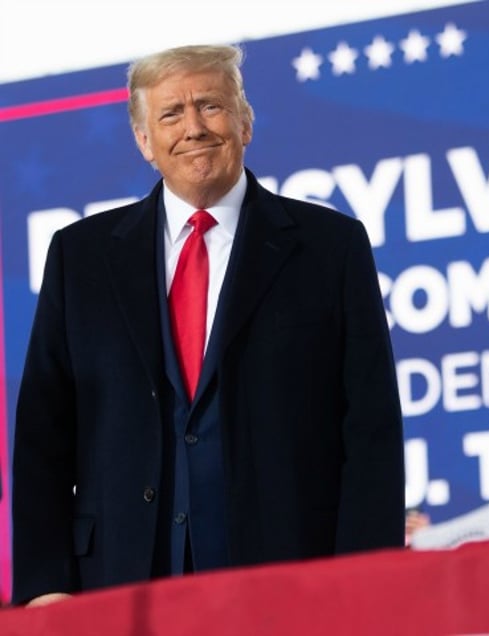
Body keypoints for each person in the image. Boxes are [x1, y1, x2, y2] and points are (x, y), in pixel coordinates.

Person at [12, 44, 405, 607]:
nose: (193, 127)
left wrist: (366, 583)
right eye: (171, 113)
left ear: (245, 122)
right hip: (120, 581)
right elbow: (44, 435)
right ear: (145, 141)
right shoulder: (81, 257)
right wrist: (45, 584)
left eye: (211, 107)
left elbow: (370, 433)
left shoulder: (330, 248)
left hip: (289, 581)